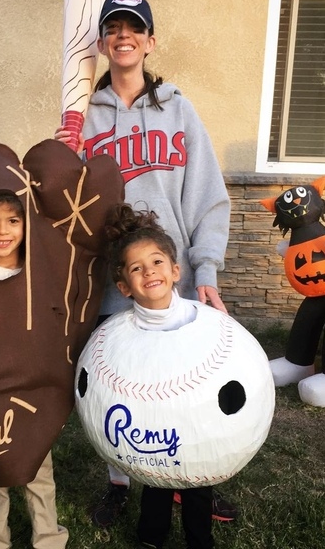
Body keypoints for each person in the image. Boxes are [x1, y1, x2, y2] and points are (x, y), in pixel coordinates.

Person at [55, 0, 235, 527]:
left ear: (150, 41)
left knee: (179, 387)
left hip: (169, 282)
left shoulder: (177, 109)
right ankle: (118, 480)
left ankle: (181, 477)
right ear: (104, 42)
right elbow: (63, 200)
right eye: (113, 28)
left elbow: (207, 196)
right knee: (120, 386)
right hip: (108, 281)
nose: (124, 35)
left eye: (134, 27)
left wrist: (204, 272)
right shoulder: (83, 118)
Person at [104, 202, 215, 549]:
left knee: (197, 486)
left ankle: (200, 541)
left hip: (197, 420)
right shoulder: (123, 332)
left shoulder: (200, 320)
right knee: (157, 484)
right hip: (152, 426)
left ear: (176, 270)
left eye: (157, 262)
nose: (149, 272)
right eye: (137, 268)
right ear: (124, 287)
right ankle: (151, 538)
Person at [0, 191, 68, 549]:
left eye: (13, 220)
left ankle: (48, 537)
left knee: (38, 468)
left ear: (26, 226)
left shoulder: (36, 276)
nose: (2, 230)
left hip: (29, 392)